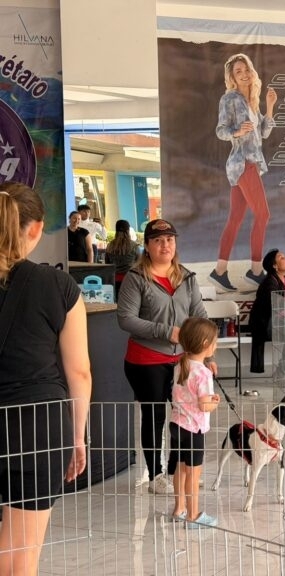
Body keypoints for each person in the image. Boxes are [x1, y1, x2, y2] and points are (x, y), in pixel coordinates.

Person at [0, 182, 91, 575]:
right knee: (23, 553)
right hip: (37, 426)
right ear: (36, 229)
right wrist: (77, 437)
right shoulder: (59, 286)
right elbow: (79, 371)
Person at [117, 219, 211, 494]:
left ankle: (177, 471)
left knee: (185, 415)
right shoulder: (136, 278)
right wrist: (166, 331)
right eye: (158, 240)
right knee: (154, 415)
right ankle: (156, 475)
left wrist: (205, 355)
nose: (165, 245)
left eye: (169, 239)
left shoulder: (187, 277)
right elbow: (126, 319)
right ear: (147, 246)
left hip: (182, 360)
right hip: (146, 360)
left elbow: (199, 316)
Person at [209, 53, 278, 292]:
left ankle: (219, 272)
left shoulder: (252, 101)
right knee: (263, 215)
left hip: (249, 165)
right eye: (238, 72)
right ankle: (256, 271)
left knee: (235, 219)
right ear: (232, 77)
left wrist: (270, 107)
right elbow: (220, 130)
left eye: (246, 69)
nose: (244, 74)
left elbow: (264, 133)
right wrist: (237, 132)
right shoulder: (229, 98)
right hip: (243, 163)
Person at [169, 317, 220, 527]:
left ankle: (179, 508)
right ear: (205, 344)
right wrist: (215, 402)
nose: (216, 346)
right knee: (193, 472)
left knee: (180, 468)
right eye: (215, 342)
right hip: (194, 429)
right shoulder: (203, 373)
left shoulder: (180, 365)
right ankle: (193, 515)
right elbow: (204, 405)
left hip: (177, 424)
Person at [247, 249, 285, 386]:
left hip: (281, 322)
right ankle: (281, 371)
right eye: (281, 258)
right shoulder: (269, 282)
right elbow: (274, 303)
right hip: (266, 324)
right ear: (274, 265)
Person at [105, 219, 141, 300]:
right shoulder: (134, 246)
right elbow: (139, 264)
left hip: (114, 280)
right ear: (128, 231)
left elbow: (107, 264)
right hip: (130, 279)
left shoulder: (110, 245)